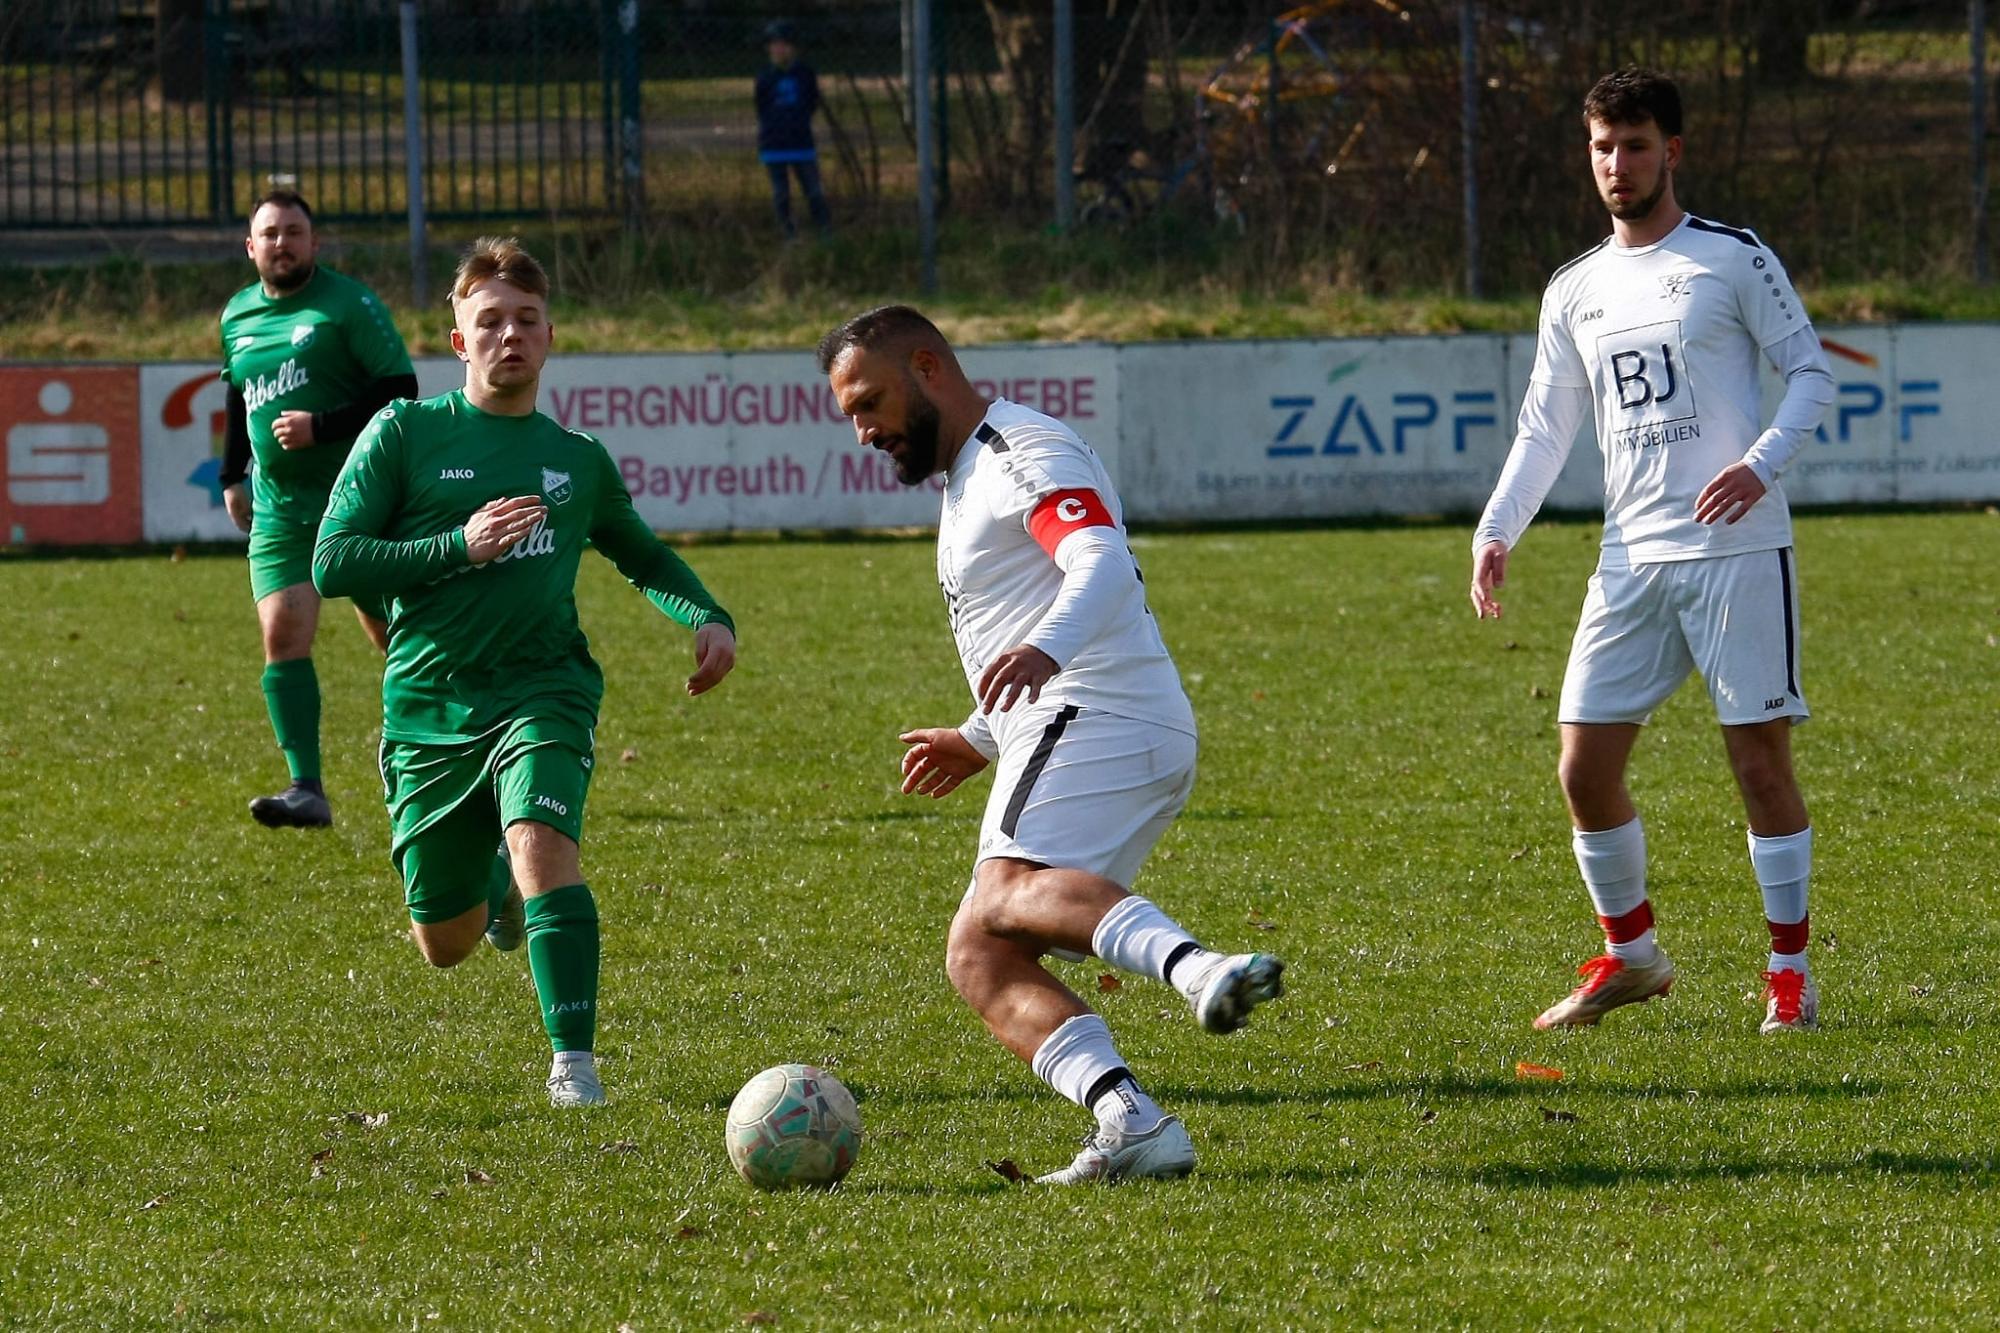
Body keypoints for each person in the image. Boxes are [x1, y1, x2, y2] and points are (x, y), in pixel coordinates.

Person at [818, 305, 1284, 1184]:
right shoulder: (970, 474)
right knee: (980, 950)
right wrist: (976, 735)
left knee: (1004, 890)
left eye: (871, 400)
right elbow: (1026, 606)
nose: (865, 429)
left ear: (929, 366)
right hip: (1093, 718)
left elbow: (1100, 560)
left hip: (1095, 709)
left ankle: (1198, 969)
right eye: (850, 414)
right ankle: (1132, 1121)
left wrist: (1045, 652)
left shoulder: (1016, 451)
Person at [313, 237, 737, 1107]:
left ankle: (574, 1066)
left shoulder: (575, 459)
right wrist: (455, 546)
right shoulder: (404, 432)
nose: (510, 334)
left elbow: (641, 552)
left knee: (546, 847)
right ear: (460, 342)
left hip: (546, 687)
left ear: (549, 338)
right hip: (430, 703)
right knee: (445, 942)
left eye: (527, 320)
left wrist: (707, 614)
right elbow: (333, 561)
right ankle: (494, 887)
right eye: (490, 321)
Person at [1469, 68, 1836, 1036]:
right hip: (1628, 560)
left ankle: (1787, 976)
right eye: (1600, 146)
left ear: (1670, 151)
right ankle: (1630, 955)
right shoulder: (1572, 288)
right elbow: (1543, 428)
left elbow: (1806, 373)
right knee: (1580, 767)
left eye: (1633, 145)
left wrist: (1757, 466)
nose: (1614, 165)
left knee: (1757, 767)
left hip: (1733, 551)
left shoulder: (1728, 257)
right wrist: (1497, 525)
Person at [219, 189, 418, 829]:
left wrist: (323, 426)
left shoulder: (347, 305)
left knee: (401, 638)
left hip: (358, 502)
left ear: (315, 243)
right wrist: (232, 473)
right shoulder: (237, 315)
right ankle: (306, 787)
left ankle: (454, 746)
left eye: (294, 231)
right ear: (252, 248)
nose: (282, 243)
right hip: (279, 509)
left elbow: (400, 389)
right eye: (270, 233)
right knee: (281, 634)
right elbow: (237, 396)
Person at [754, 19, 832, 240]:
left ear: (794, 47)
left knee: (813, 190)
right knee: (781, 193)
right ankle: (788, 233)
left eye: (784, 44)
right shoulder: (765, 76)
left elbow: (811, 101)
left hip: (800, 141)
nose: (779, 49)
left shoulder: (805, 74)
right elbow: (761, 105)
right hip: (774, 142)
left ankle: (824, 229)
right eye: (774, 44)